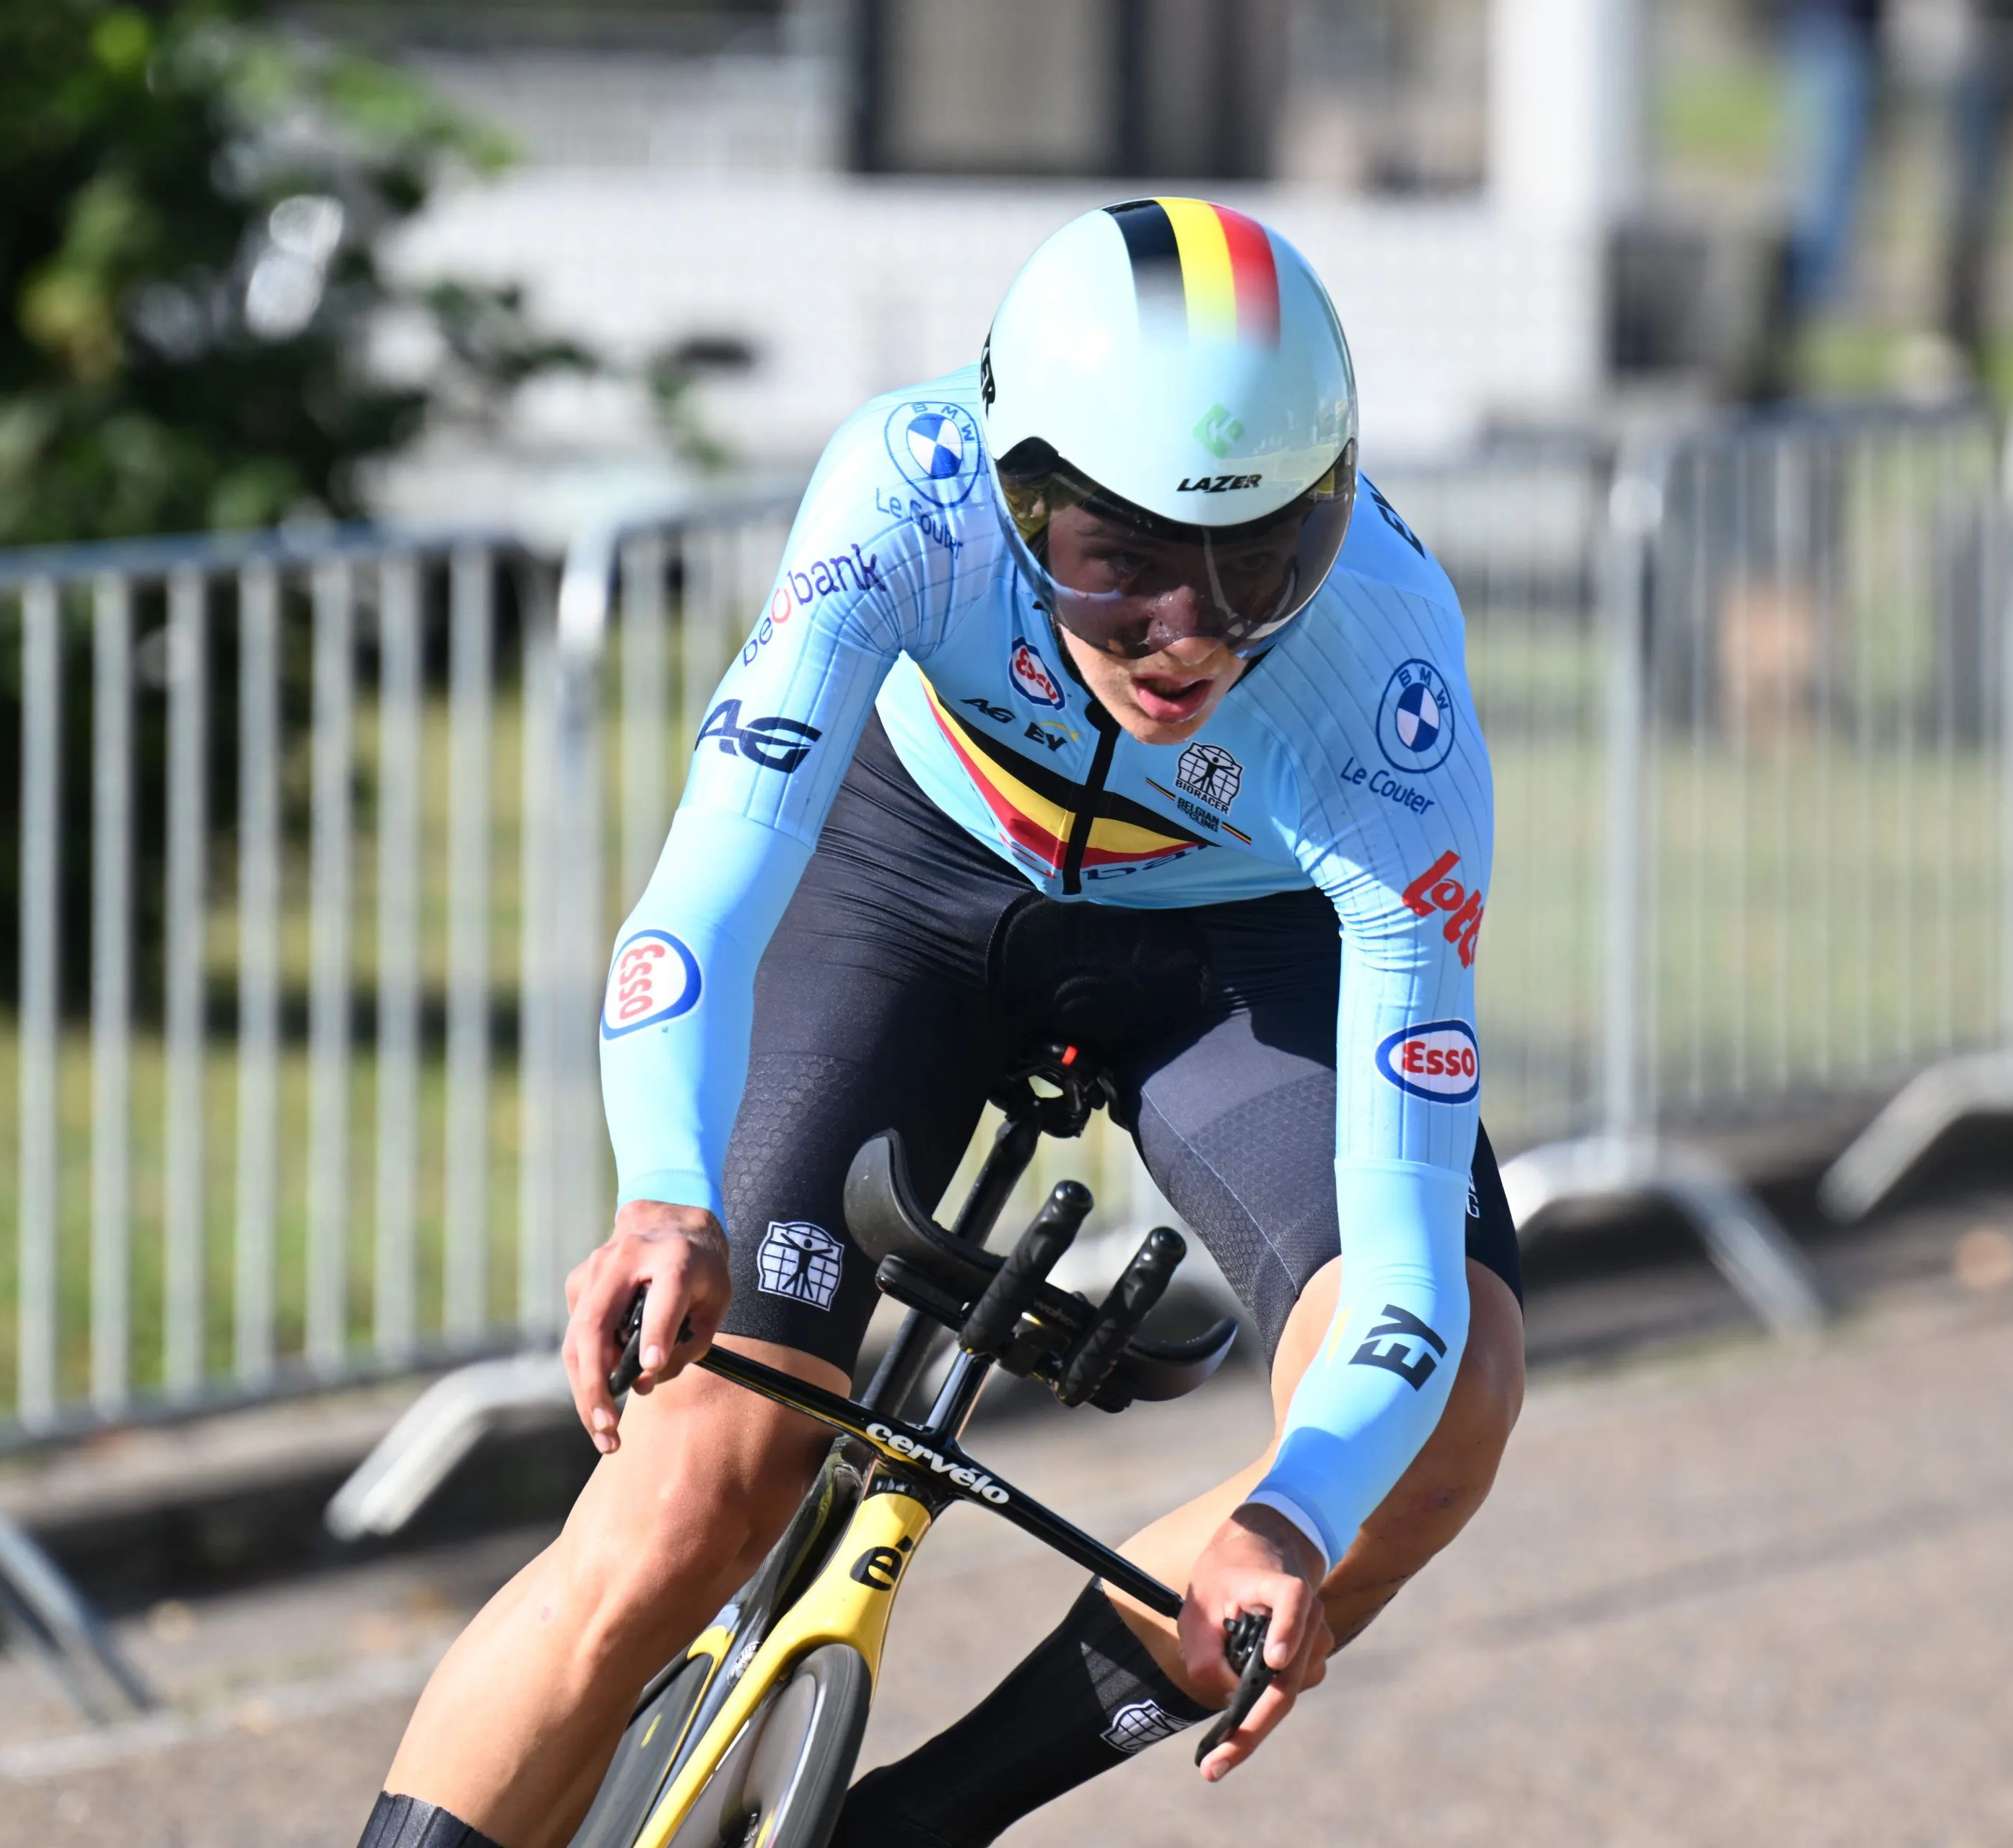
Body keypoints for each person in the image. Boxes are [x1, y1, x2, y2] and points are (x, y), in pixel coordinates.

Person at [354, 198, 1527, 1848]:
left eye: (1256, 561)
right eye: (1116, 561)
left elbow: (1403, 1275)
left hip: (1231, 949)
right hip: (915, 864)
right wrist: (663, 1188)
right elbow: (697, 908)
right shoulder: (908, 494)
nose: (1186, 636)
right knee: (696, 1481)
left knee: (1450, 1405)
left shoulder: (1387, 698)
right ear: (1011, 480)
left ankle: (910, 1825)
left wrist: (1292, 1513)